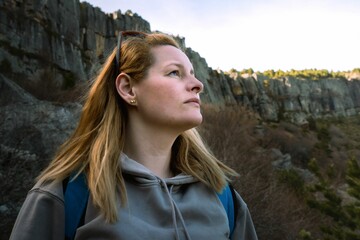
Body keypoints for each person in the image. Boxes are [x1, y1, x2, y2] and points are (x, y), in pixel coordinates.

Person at [10, 31, 258, 240]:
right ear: (128, 88)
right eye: (175, 72)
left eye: (193, 73)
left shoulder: (223, 196)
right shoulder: (67, 194)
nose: (198, 85)